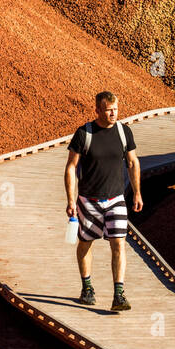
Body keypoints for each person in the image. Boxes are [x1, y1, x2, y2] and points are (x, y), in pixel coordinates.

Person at [64, 91, 142, 311]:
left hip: (116, 198)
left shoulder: (124, 132)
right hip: (88, 201)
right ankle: (87, 287)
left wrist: (137, 192)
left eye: (115, 109)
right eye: (108, 110)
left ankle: (119, 294)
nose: (113, 113)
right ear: (97, 110)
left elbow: (133, 163)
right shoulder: (84, 133)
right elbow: (71, 167)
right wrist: (71, 200)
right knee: (86, 242)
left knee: (118, 243)